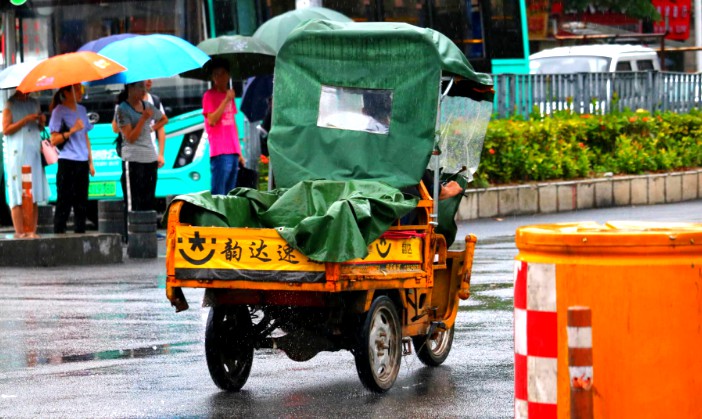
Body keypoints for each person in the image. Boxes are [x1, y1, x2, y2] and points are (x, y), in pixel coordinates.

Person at [2, 90, 50, 238]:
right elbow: (6, 129)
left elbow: (40, 128)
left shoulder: (34, 103)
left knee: (33, 191)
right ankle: (20, 231)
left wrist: (41, 122)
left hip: (33, 151)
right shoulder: (10, 104)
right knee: (18, 192)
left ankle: (32, 230)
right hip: (17, 153)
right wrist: (25, 120)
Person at [116, 81, 168, 212]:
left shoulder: (148, 105)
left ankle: (148, 230)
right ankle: (133, 230)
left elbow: (164, 119)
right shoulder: (122, 109)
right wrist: (143, 120)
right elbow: (130, 138)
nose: (143, 90)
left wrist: (151, 128)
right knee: (134, 200)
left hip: (149, 158)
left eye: (143, 87)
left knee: (148, 198)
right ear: (130, 89)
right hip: (133, 159)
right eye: (140, 87)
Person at [49, 84, 95, 234]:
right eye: (76, 90)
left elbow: (86, 137)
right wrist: (72, 130)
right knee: (64, 201)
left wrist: (90, 162)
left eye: (80, 89)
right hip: (67, 161)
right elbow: (54, 140)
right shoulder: (58, 112)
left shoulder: (82, 110)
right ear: (66, 93)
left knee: (81, 202)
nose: (80, 93)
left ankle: (80, 234)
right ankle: (59, 233)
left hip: (82, 162)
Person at [202, 60, 245, 195]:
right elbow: (212, 120)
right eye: (215, 75)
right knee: (219, 192)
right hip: (220, 151)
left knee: (230, 193)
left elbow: (233, 124)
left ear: (228, 75)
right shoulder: (209, 96)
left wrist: (239, 151)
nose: (218, 78)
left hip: (232, 151)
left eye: (222, 74)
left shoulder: (230, 95)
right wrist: (225, 100)